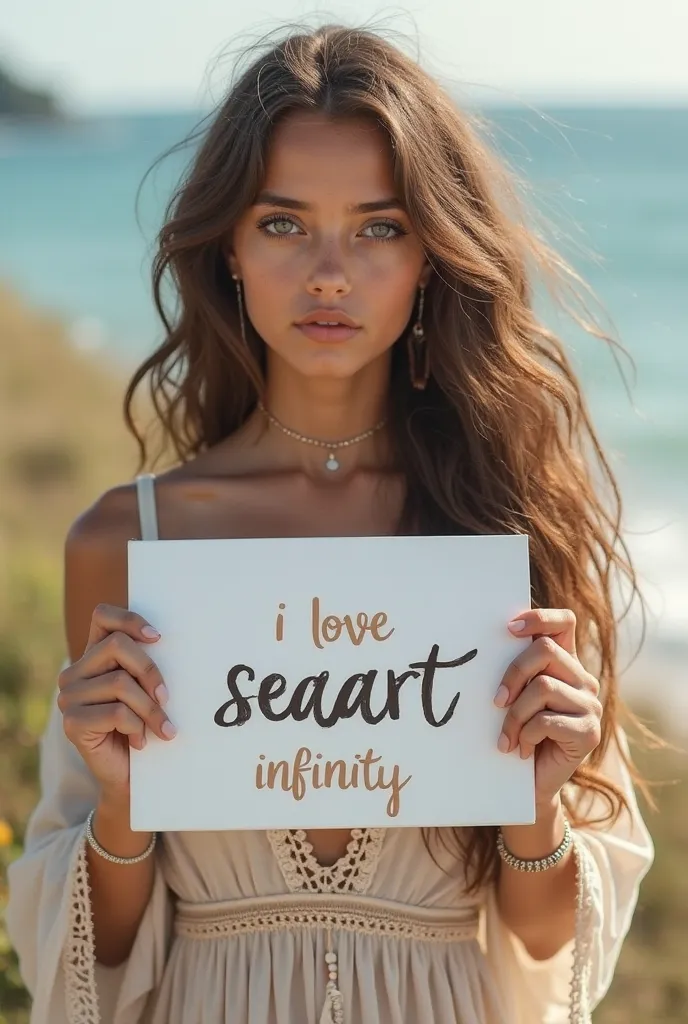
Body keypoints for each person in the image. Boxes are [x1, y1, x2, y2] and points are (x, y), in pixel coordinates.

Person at [7, 22, 654, 1024]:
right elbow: (103, 957)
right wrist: (126, 799)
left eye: (378, 227)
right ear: (227, 243)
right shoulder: (128, 544)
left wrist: (537, 802)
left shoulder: (506, 538)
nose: (327, 272)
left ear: (432, 256)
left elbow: (544, 942)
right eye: (282, 223)